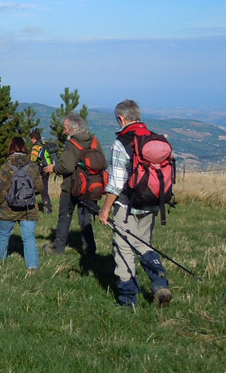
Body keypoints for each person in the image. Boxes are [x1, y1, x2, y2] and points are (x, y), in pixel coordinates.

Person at [98, 100, 173, 308]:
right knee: (143, 244)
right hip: (152, 203)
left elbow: (115, 184)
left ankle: (128, 300)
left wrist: (105, 210)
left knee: (124, 249)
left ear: (121, 119)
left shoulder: (121, 143)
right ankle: (160, 283)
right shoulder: (153, 138)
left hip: (127, 206)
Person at [43, 115, 106, 256]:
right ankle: (90, 249)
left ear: (72, 129)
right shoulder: (95, 142)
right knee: (86, 219)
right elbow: (103, 163)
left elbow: (67, 168)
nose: (64, 131)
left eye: (65, 128)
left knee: (65, 217)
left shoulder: (71, 144)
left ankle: (58, 248)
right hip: (91, 187)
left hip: (71, 187)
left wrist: (54, 168)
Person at [0, 137, 43, 269]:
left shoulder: (6, 166)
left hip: (8, 208)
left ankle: (0, 261)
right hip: (29, 208)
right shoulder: (33, 166)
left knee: (4, 234)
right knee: (29, 238)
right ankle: (32, 266)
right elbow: (39, 187)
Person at [29, 129, 54, 213]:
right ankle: (48, 209)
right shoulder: (43, 145)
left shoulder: (36, 147)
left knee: (31, 188)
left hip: (39, 170)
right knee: (44, 190)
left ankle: (31, 207)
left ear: (33, 138)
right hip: (46, 169)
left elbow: (32, 160)